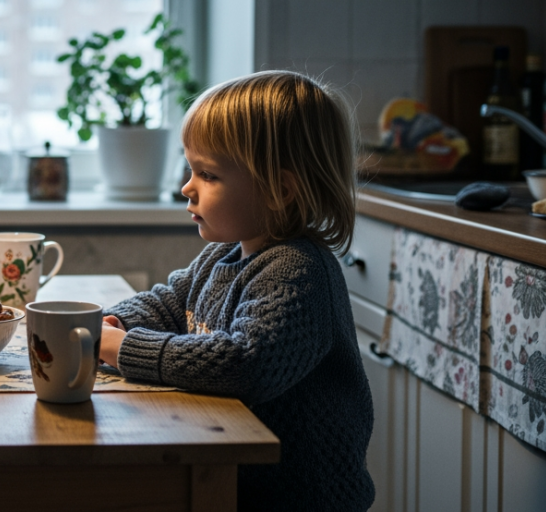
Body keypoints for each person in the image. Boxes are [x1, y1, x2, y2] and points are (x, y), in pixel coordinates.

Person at [98, 70, 375, 511]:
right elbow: (170, 301)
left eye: (207, 174)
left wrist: (124, 347)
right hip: (234, 479)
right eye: (191, 169)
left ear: (279, 191)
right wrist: (112, 321)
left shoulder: (298, 271)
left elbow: (246, 365)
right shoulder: (225, 254)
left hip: (297, 499)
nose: (186, 187)